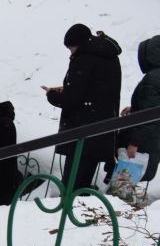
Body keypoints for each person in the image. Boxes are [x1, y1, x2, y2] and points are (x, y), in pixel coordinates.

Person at [43, 23, 122, 191]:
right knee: (83, 182)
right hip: (100, 128)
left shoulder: (84, 59)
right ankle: (77, 212)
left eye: (70, 48)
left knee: (71, 184)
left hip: (81, 130)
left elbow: (72, 99)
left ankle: (66, 211)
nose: (70, 52)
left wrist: (52, 95)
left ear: (76, 44)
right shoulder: (109, 55)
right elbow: (97, 89)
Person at [116, 34, 160, 184]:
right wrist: (135, 108)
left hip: (143, 144)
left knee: (124, 189)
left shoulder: (153, 78)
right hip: (154, 140)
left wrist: (134, 142)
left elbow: (149, 116)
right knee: (133, 190)